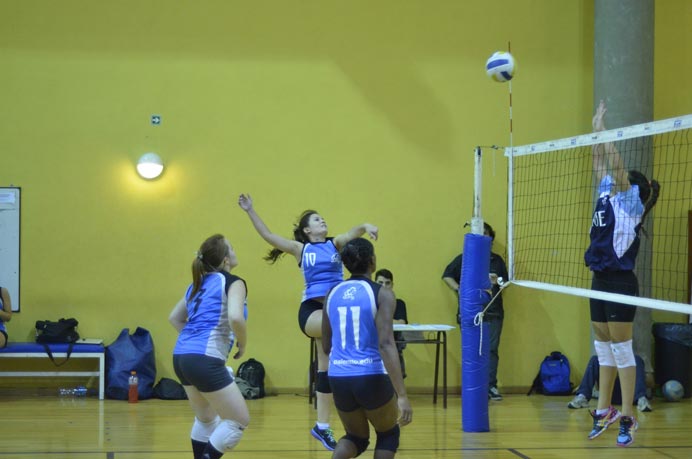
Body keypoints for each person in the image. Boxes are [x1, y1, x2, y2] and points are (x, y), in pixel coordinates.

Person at [238, 193, 378, 451]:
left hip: (333, 310)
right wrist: (250, 211)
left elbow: (351, 233)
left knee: (325, 366)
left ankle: (322, 427)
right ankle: (361, 383)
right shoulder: (301, 249)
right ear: (307, 229)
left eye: (322, 218)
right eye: (316, 219)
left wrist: (366, 226)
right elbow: (268, 236)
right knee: (340, 337)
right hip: (312, 311)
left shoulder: (335, 244)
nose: (322, 220)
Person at [584, 100, 660, 447]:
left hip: (619, 283)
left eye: (623, 179)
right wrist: (594, 129)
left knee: (622, 349)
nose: (616, 179)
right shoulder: (606, 195)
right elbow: (599, 161)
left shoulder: (631, 204)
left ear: (634, 189)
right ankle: (605, 409)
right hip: (599, 280)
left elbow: (615, 165)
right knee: (604, 349)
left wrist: (604, 132)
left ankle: (628, 413)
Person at [322, 238, 412, 459]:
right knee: (388, 435)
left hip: (338, 376)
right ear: (372, 261)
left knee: (356, 438)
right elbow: (386, 343)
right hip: (370, 375)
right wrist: (402, 395)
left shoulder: (331, 293)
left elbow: (326, 345)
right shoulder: (382, 293)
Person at [169, 234, 249, 459]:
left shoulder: (196, 284)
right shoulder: (233, 282)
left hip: (181, 355)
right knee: (238, 421)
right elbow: (235, 317)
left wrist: (194, 340)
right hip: (204, 358)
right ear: (225, 260)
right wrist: (242, 344)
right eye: (231, 248)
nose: (235, 251)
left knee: (206, 420)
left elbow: (174, 318)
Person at [442, 222, 508, 401]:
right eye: (478, 234)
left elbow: (505, 283)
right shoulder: (465, 258)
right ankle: (474, 388)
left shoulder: (497, 261)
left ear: (490, 238)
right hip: (470, 312)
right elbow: (447, 275)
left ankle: (491, 386)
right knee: (472, 350)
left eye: (485, 234)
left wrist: (496, 282)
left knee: (492, 350)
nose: (482, 237)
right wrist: (459, 289)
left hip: (493, 312)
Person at [567, 354, 652, 412]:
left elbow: (651, 382)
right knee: (595, 359)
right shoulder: (606, 358)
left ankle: (641, 399)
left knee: (636, 359)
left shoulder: (637, 357)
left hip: (630, 394)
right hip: (609, 393)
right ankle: (582, 396)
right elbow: (597, 386)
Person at [374, 269, 408, 379]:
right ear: (375, 284)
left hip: (394, 345)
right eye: (380, 283)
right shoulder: (371, 302)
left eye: (387, 283)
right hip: (373, 346)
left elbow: (402, 323)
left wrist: (380, 319)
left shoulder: (399, 303)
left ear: (392, 285)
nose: (384, 286)